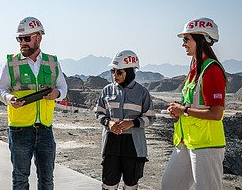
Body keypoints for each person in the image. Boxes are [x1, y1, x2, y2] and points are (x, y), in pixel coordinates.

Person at [0, 16, 68, 190]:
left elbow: (63, 88)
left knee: (47, 179)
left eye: (26, 38)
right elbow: (0, 90)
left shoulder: (52, 62)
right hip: (19, 130)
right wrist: (9, 98)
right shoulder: (11, 62)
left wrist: (56, 94)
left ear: (38, 38)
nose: (22, 43)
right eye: (19, 39)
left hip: (45, 129)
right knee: (20, 179)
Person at [161, 17, 227, 190]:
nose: (183, 44)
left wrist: (184, 110)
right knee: (170, 186)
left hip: (207, 144)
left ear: (202, 39)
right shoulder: (195, 69)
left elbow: (216, 113)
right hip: (187, 141)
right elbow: (193, 104)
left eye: (186, 39)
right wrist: (179, 110)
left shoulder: (211, 70)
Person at [94, 50, 155, 190]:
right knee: (108, 185)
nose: (115, 75)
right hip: (111, 143)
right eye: (113, 71)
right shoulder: (107, 91)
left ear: (129, 72)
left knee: (131, 185)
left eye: (119, 72)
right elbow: (99, 113)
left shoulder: (142, 92)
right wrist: (108, 123)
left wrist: (132, 123)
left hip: (133, 146)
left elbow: (150, 117)